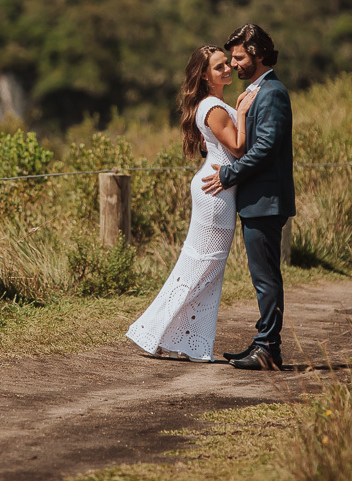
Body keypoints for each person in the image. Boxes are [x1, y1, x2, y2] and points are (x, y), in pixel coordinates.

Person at [126, 44, 256, 362]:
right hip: (216, 193)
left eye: (228, 63)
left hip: (217, 188)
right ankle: (152, 333)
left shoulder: (211, 104)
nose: (227, 69)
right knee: (200, 266)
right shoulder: (214, 108)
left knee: (204, 269)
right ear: (204, 75)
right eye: (219, 66)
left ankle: (178, 339)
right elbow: (239, 148)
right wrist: (241, 110)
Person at [201, 24, 294, 371]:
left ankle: (269, 348)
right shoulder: (257, 92)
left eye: (239, 57)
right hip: (257, 200)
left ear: (257, 54)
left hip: (266, 200)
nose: (235, 64)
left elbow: (266, 149)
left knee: (266, 277)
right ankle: (263, 342)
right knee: (262, 276)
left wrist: (227, 176)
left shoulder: (272, 93)